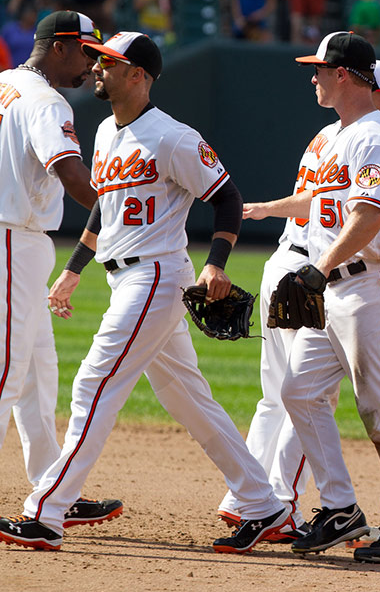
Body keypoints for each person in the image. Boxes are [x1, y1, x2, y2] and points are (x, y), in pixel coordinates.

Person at [0, 31, 289, 553]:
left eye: (109, 62)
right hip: (125, 275)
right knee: (188, 398)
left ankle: (46, 512)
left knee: (93, 382)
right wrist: (74, 269)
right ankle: (264, 504)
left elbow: (228, 198)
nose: (97, 68)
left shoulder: (173, 136)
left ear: (139, 75)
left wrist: (215, 265)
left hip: (156, 275)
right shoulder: (109, 131)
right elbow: (101, 209)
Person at [217, 57, 380, 548]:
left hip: (371, 283)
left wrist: (319, 266)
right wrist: (278, 218)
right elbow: (331, 204)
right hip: (335, 285)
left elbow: (375, 215)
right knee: (299, 392)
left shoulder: (374, 136)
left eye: (320, 71)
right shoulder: (339, 137)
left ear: (344, 76)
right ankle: (340, 509)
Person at [0, 11, 127, 541]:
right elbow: (72, 175)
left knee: (37, 372)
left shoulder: (6, 82)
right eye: (87, 52)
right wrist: (128, 209)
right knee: (8, 372)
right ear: (58, 47)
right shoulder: (47, 101)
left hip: (20, 238)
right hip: (12, 239)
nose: (92, 63)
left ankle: (52, 488)